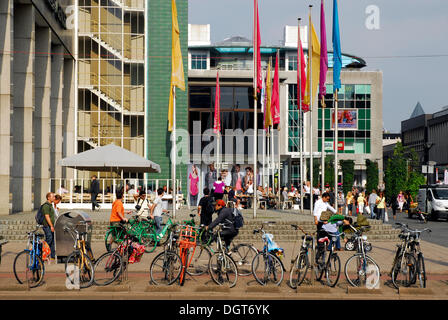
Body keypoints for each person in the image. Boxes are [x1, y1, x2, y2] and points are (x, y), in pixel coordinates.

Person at [42, 192, 56, 263]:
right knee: (49, 240)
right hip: (47, 226)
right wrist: (51, 226)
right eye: (53, 196)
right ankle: (43, 254)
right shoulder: (46, 206)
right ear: (48, 198)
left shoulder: (50, 205)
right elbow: (47, 217)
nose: (54, 198)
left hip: (50, 226)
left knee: (52, 240)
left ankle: (53, 256)